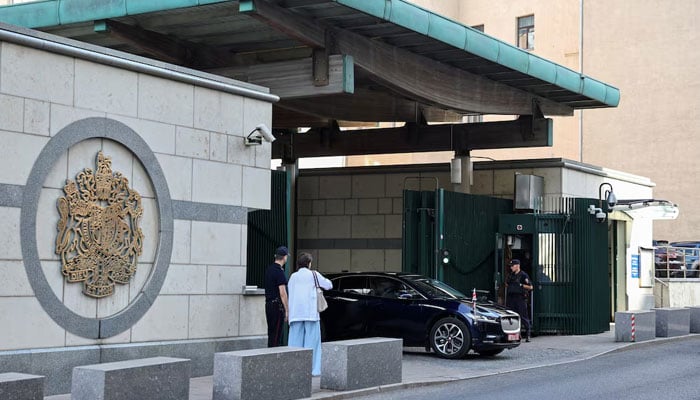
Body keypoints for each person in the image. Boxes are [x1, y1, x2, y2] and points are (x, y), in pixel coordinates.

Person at [287, 252, 332, 376]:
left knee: (294, 343)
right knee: (312, 344)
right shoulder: (314, 275)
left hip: (295, 313)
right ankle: (313, 370)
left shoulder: (293, 277)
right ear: (309, 263)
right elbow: (329, 285)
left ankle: (295, 369)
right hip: (310, 313)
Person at [264, 246, 289, 347]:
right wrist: (287, 309)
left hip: (268, 304)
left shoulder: (269, 269)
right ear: (284, 257)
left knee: (271, 333)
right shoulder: (279, 272)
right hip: (277, 306)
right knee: (276, 336)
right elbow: (282, 293)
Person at [505, 259, 533, 342]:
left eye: (512, 266)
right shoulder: (511, 275)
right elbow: (507, 284)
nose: (511, 268)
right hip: (511, 298)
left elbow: (531, 287)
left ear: (517, 266)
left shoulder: (523, 275)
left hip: (520, 298)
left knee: (523, 317)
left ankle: (528, 334)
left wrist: (521, 285)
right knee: (512, 317)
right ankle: (516, 335)